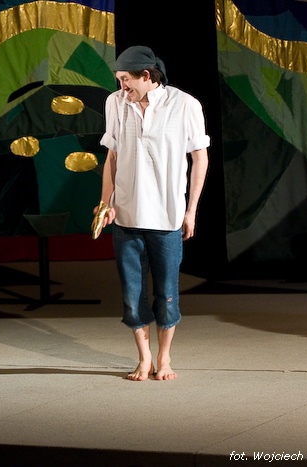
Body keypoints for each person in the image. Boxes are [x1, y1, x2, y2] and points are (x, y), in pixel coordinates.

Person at [93, 45, 210, 381]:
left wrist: (191, 211)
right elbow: (112, 156)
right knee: (132, 296)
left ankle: (165, 357)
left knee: (167, 294)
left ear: (146, 76)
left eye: (125, 80)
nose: (121, 86)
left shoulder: (185, 104)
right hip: (127, 215)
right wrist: (105, 203)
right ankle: (144, 358)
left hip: (167, 216)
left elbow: (200, 158)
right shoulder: (116, 103)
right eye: (118, 80)